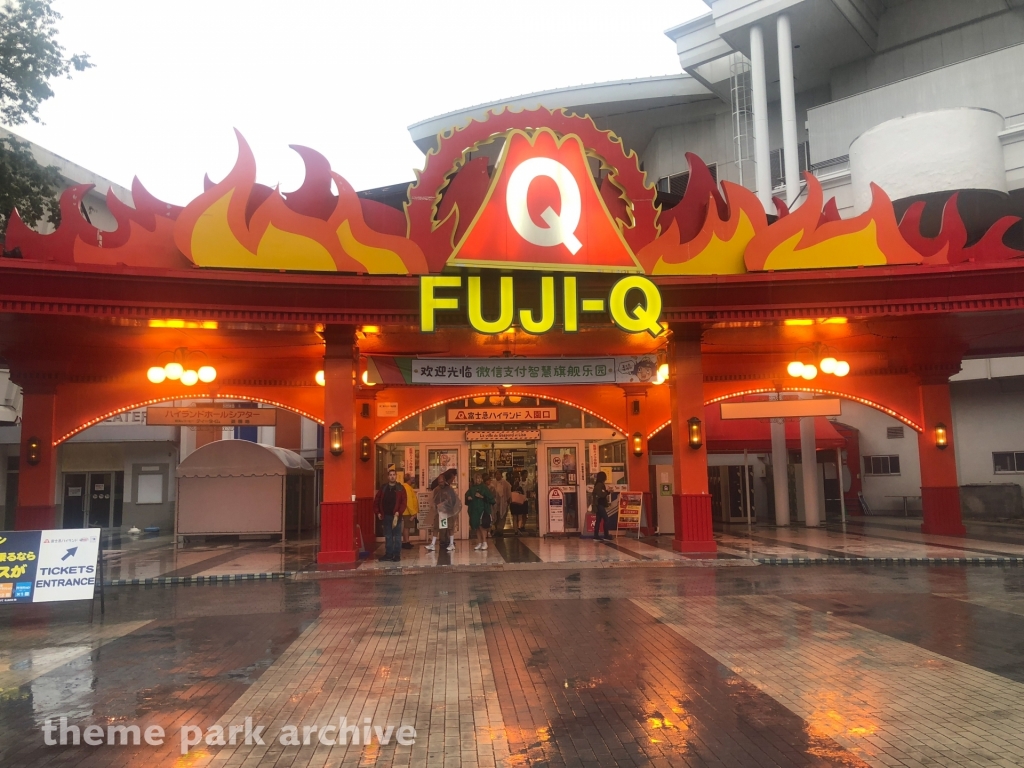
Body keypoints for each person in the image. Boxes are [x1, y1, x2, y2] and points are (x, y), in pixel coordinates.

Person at [373, 465, 407, 562]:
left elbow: (404, 502)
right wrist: (378, 512)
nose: (392, 476)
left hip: (396, 516)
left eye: (394, 475)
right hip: (386, 516)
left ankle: (396, 555)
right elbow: (377, 500)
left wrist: (399, 512)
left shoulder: (401, 488)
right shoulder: (383, 488)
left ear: (396, 476)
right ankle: (388, 554)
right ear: (388, 477)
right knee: (388, 536)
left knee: (397, 536)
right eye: (390, 475)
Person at [431, 469, 461, 553]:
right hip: (440, 511)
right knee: (437, 526)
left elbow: (453, 500)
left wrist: (445, 505)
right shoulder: (437, 489)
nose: (440, 483)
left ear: (444, 481)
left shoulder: (449, 489)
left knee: (450, 527)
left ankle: (451, 543)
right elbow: (435, 499)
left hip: (448, 511)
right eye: (439, 482)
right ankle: (434, 543)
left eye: (441, 481)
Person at [466, 472, 495, 551]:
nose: (478, 480)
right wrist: (468, 497)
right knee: (476, 526)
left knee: (482, 526)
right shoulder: (472, 488)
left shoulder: (484, 488)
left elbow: (491, 499)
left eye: (479, 478)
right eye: (476, 478)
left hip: (482, 509)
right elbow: (467, 496)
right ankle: (479, 542)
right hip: (474, 510)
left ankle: (484, 542)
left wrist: (481, 496)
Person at [400, 474, 418, 550]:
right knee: (407, 527)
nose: (412, 480)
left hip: (407, 511)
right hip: (408, 511)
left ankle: (406, 541)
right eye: (411, 479)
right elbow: (408, 501)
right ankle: (406, 542)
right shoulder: (407, 488)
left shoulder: (405, 487)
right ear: (409, 480)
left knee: (407, 527)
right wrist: (413, 512)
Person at [492, 470, 511, 537]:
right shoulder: (493, 483)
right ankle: (496, 529)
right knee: (495, 516)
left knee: (502, 517)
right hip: (495, 503)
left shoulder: (505, 483)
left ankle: (500, 530)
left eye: (499, 474)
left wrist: (507, 501)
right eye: (496, 474)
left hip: (503, 503)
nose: (498, 476)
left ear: (501, 475)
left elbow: (508, 492)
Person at [592, 471, 610, 541]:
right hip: (600, 505)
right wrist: (607, 492)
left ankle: (596, 536)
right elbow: (601, 494)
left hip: (597, 505)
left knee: (598, 520)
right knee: (606, 520)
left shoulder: (597, 484)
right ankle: (606, 535)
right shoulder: (600, 485)